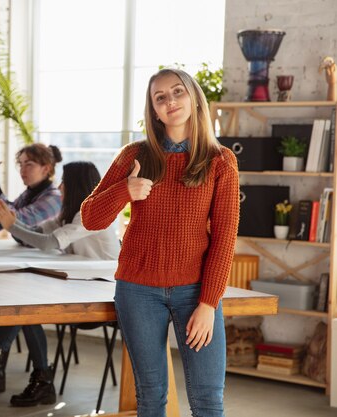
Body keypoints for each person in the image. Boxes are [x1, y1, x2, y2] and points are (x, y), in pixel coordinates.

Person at [81, 68, 240, 417]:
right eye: (160, 97)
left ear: (194, 97)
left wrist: (208, 304)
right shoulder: (133, 156)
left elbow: (225, 239)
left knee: (208, 400)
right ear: (153, 111)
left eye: (178, 92)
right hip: (138, 290)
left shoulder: (220, 162)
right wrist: (125, 191)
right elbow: (90, 217)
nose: (170, 101)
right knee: (151, 398)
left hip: (195, 292)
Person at [0, 161, 119, 406]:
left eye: (64, 181)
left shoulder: (94, 214)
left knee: (26, 303)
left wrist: (11, 224)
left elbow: (48, 244)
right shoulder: (69, 214)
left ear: (76, 185)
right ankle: (23, 373)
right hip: (80, 286)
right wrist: (8, 220)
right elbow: (34, 236)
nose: (60, 186)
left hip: (105, 295)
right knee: (25, 302)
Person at [0, 143, 63, 397]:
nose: (23, 170)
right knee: (7, 299)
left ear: (46, 168)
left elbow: (17, 221)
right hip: (31, 268)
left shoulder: (52, 198)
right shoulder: (29, 194)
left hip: (53, 275)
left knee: (19, 304)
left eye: (29, 164)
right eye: (21, 164)